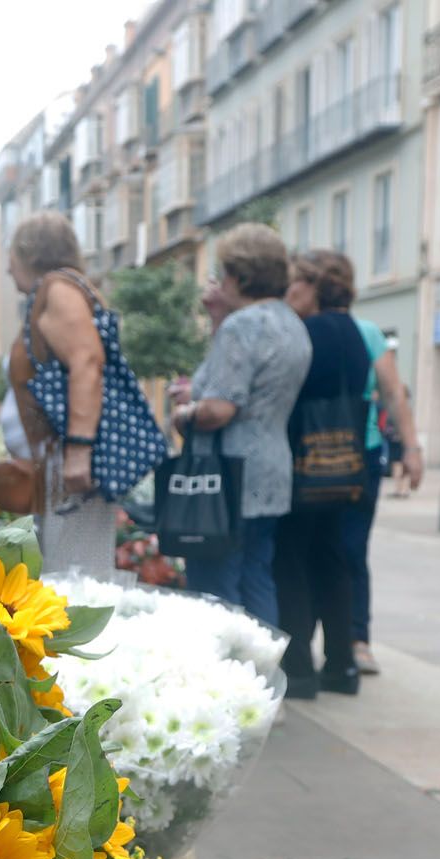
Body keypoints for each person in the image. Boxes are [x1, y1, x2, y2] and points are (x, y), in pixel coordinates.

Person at [284, 250, 424, 676]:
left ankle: (305, 653)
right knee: (348, 553)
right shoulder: (365, 332)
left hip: (309, 454)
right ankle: (354, 647)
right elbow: (393, 391)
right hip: (358, 454)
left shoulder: (306, 330)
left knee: (304, 555)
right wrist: (411, 448)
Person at [167, 224, 310, 626]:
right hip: (270, 471)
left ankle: (225, 676)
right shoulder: (291, 324)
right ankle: (261, 675)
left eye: (225, 272)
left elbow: (219, 408)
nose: (220, 279)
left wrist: (184, 414)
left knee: (216, 591)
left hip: (224, 477)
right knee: (256, 578)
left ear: (241, 277)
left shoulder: (242, 326)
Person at [274, 252, 372, 698]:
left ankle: (298, 671)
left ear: (314, 286)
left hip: (303, 462)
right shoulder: (352, 331)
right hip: (345, 464)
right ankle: (341, 665)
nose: (288, 292)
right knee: (334, 561)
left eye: (295, 283)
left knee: (290, 562)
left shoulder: (310, 331)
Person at [5, 211, 116, 576]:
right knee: (68, 576)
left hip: (69, 465)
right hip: (57, 463)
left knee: (77, 581)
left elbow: (86, 362)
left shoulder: (58, 290)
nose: (8, 269)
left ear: (29, 253)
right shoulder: (58, 290)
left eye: (12, 256)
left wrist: (79, 451)